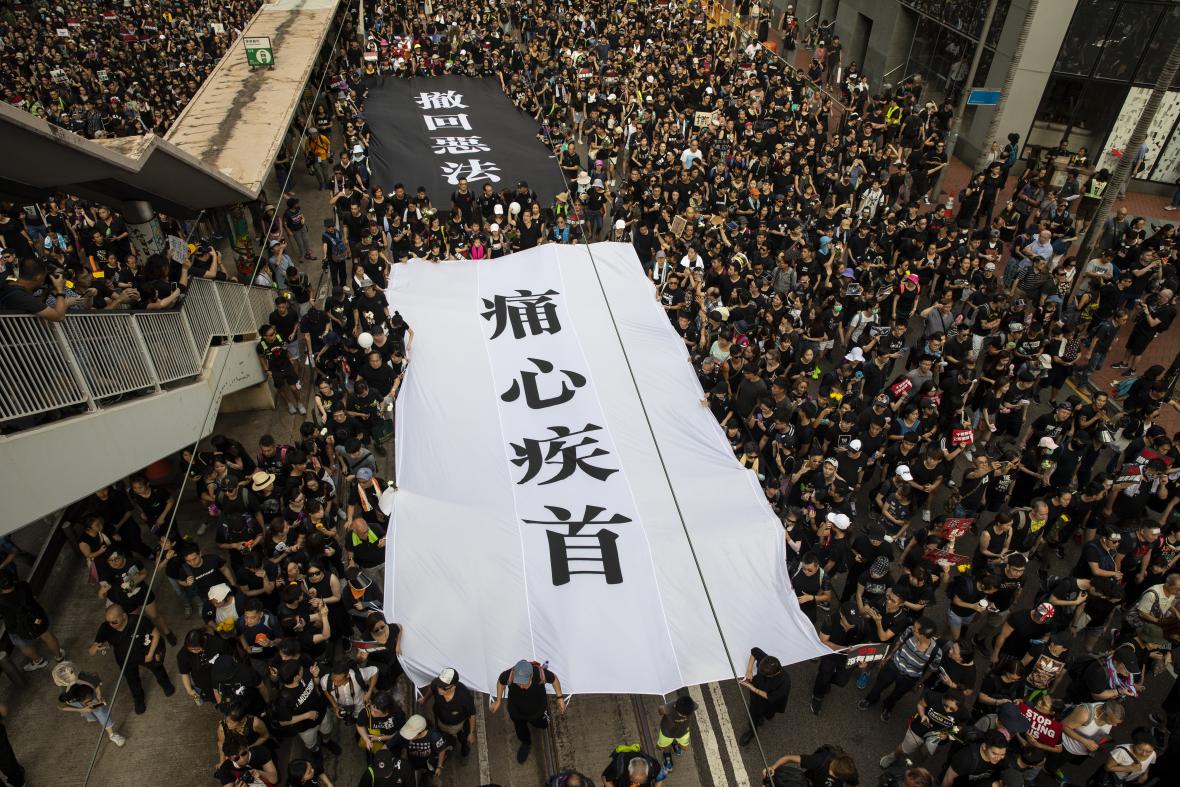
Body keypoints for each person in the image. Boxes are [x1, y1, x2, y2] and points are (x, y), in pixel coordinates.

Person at [88, 603, 174, 714]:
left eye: (114, 621)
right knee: (132, 680)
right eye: (108, 621)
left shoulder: (139, 621)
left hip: (144, 653)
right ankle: (138, 699)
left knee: (158, 669)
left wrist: (150, 654)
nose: (111, 624)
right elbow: (91, 651)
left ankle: (165, 683)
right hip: (125, 659)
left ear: (123, 616)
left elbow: (156, 635)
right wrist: (94, 648)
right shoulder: (105, 628)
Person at [490, 659, 567, 764]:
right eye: (518, 683)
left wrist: (560, 698)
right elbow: (501, 681)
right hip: (516, 712)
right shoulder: (510, 675)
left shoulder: (539, 674)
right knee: (520, 729)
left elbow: (554, 679)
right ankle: (526, 742)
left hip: (539, 711)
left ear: (531, 676)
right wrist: (498, 700)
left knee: (543, 724)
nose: (521, 686)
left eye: (524, 683)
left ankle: (540, 723)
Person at [51, 661, 127, 747]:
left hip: (85, 692)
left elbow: (96, 682)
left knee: (100, 711)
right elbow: (61, 707)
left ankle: (112, 735)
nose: (74, 675)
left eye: (72, 673)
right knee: (86, 711)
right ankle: (89, 715)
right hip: (76, 699)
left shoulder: (84, 677)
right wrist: (81, 709)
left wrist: (98, 696)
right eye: (87, 702)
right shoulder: (65, 695)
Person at [0, 573, 65, 671]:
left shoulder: (1, 601)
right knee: (47, 636)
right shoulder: (23, 585)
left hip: (17, 627)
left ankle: (39, 661)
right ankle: (59, 656)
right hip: (36, 618)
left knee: (24, 645)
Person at [738, 647, 791, 745]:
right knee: (753, 712)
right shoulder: (767, 660)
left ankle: (763, 716)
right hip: (757, 695)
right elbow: (754, 651)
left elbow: (770, 697)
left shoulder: (784, 683)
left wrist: (753, 688)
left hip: (770, 700)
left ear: (773, 674)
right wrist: (749, 670)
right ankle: (752, 731)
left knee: (768, 713)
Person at [654, 694, 697, 772]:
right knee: (665, 745)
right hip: (667, 732)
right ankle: (667, 754)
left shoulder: (692, 706)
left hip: (682, 732)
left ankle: (674, 744)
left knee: (684, 745)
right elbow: (661, 709)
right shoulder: (669, 708)